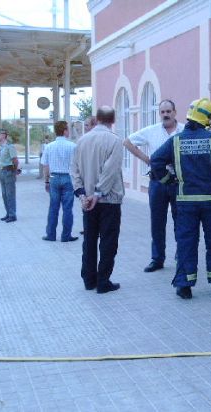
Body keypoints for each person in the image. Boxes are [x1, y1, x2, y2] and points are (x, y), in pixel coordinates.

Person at [151, 98, 211, 299]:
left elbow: (156, 160)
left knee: (186, 242)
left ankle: (184, 286)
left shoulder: (176, 140)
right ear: (207, 118)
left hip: (185, 203)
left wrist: (168, 180)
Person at [124, 100, 184, 273]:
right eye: (162, 111)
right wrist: (147, 160)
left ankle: (181, 253)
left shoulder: (184, 130)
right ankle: (157, 258)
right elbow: (127, 142)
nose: (165, 114)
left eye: (168, 111)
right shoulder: (151, 131)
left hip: (177, 181)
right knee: (157, 221)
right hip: (157, 181)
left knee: (180, 220)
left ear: (175, 112)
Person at [71, 106, 124, 294]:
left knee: (90, 240)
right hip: (108, 200)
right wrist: (98, 193)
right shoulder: (115, 141)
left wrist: (82, 194)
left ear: (98, 119)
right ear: (113, 120)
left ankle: (88, 279)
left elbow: (74, 170)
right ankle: (103, 281)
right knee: (108, 241)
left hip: (87, 201)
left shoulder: (82, 141)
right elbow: (110, 171)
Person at [41, 121, 78, 242]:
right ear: (65, 130)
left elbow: (45, 166)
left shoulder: (49, 146)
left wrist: (46, 181)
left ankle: (51, 235)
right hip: (68, 178)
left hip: (54, 178)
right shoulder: (72, 146)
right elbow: (77, 165)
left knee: (53, 208)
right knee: (67, 208)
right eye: (68, 129)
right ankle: (66, 236)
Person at [0, 128, 20, 223]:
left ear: (4, 135)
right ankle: (8, 213)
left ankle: (12, 215)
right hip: (2, 172)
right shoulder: (1, 147)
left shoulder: (10, 147)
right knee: (4, 194)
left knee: (10, 194)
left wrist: (15, 170)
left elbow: (15, 160)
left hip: (9, 172)